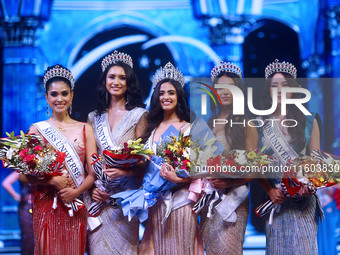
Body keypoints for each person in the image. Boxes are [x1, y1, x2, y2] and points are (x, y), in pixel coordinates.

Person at [19, 64, 97, 255]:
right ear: (46, 97)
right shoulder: (36, 130)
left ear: (72, 95)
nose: (59, 99)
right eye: (54, 94)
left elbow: (94, 173)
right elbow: (22, 176)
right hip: (46, 206)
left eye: (64, 93)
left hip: (75, 206)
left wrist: (76, 191)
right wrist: (52, 180)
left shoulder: (85, 129)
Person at [257, 59, 322, 254]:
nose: (279, 90)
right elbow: (255, 166)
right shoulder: (259, 123)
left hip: (304, 202)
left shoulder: (309, 120)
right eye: (274, 85)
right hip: (277, 201)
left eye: (284, 85)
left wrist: (307, 186)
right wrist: (269, 191)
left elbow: (316, 164)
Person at [139, 62, 204, 255]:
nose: (166, 97)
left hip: (181, 202)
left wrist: (177, 179)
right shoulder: (150, 127)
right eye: (161, 93)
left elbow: (202, 170)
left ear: (179, 96)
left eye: (171, 93)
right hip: (156, 204)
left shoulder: (191, 127)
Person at [87, 50, 148, 255]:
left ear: (129, 82)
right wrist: (91, 191)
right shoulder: (93, 117)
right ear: (104, 80)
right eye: (111, 77)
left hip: (125, 201)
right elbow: (90, 161)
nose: (116, 82)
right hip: (100, 198)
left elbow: (146, 161)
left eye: (122, 78)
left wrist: (125, 173)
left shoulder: (139, 115)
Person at [199, 62, 258, 255]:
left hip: (235, 200)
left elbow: (254, 169)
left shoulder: (247, 124)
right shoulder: (207, 124)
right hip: (209, 200)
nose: (224, 92)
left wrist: (228, 179)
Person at [2, 172, 34, 255]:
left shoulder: (41, 170)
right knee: (28, 236)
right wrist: (17, 196)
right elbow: (6, 183)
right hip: (26, 207)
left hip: (39, 207)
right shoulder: (20, 171)